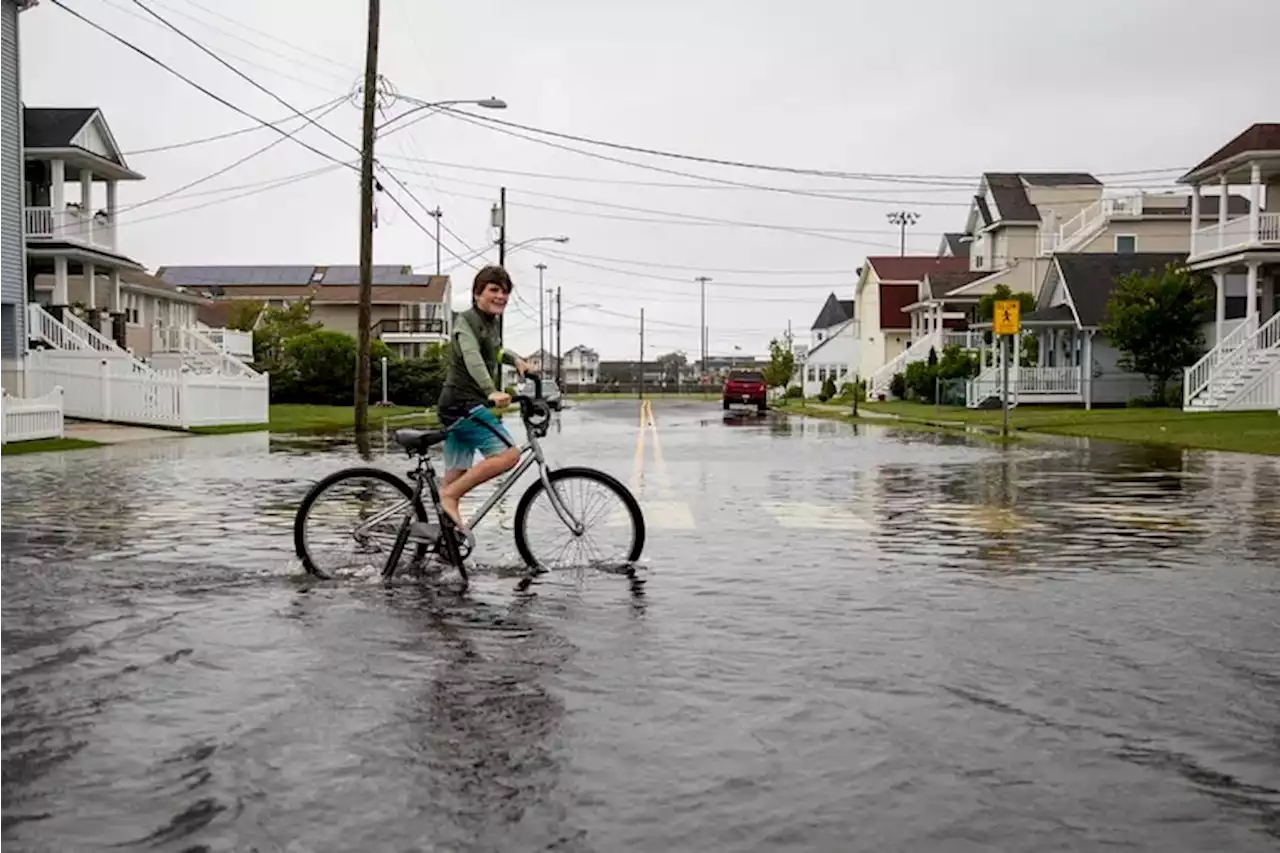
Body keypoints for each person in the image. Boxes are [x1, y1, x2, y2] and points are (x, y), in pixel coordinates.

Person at [434, 265, 531, 530]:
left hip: (460, 405)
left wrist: (516, 360)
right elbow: (473, 357)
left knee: (455, 477)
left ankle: (443, 541)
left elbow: (495, 352)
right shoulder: (465, 322)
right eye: (494, 290)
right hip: (463, 405)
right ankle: (450, 497)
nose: (501, 296)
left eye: (505, 291)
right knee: (509, 456)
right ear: (477, 293)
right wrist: (491, 389)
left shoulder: (490, 322)